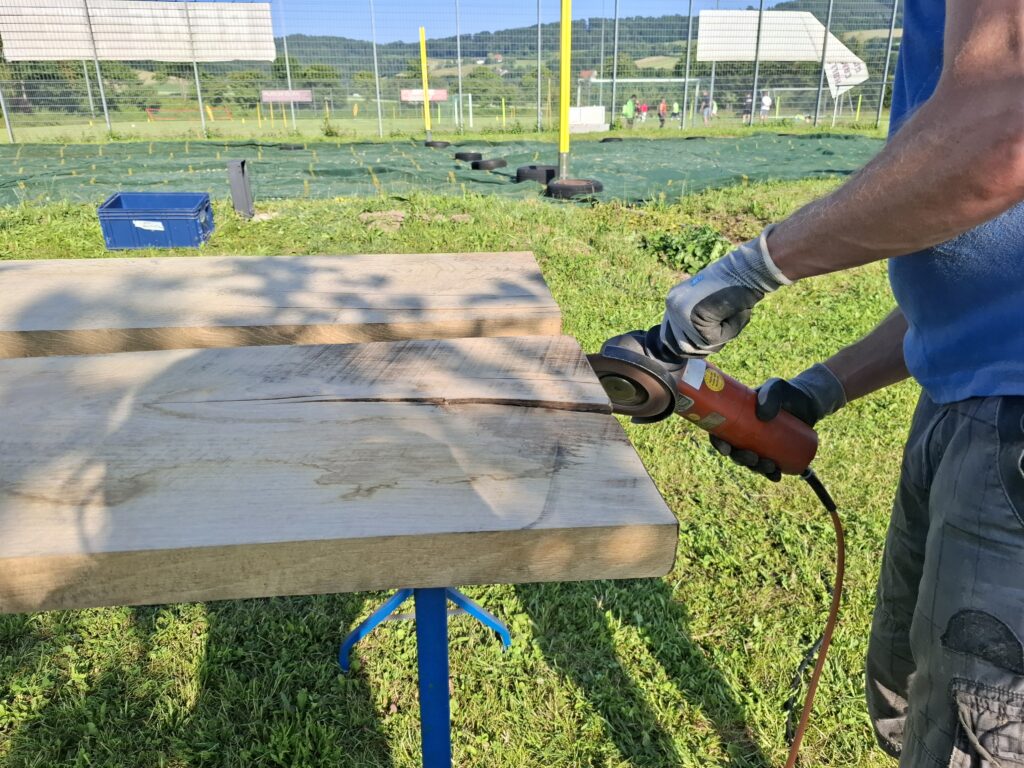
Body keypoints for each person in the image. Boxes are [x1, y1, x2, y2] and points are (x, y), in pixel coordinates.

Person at [657, 1, 1024, 765]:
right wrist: (822, 387)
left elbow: (1001, 135)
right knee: (911, 694)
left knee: (981, 734)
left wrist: (757, 264)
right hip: (961, 400)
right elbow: (991, 285)